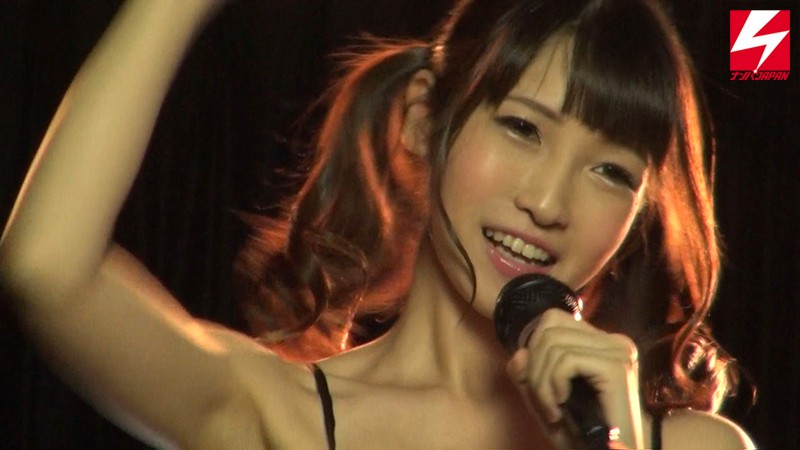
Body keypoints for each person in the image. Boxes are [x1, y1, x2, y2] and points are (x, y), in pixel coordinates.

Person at [0, 0, 755, 448]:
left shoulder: (695, 446)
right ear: (425, 120)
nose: (550, 204)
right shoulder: (281, 418)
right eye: (523, 128)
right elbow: (47, 269)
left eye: (611, 171)